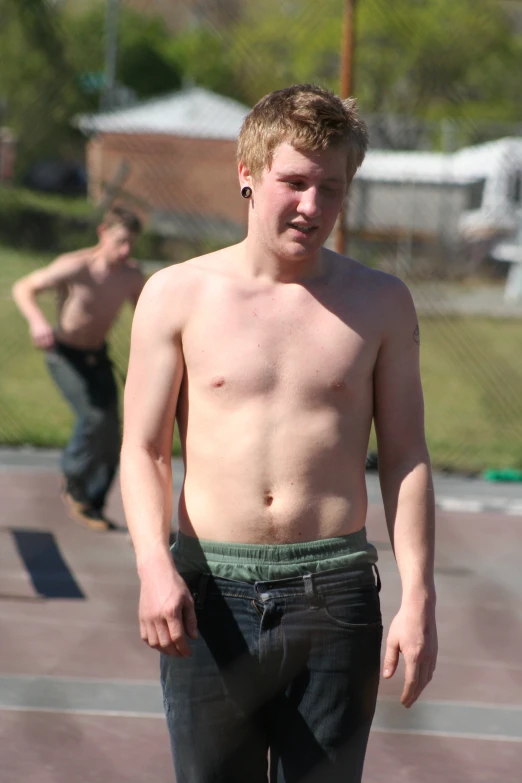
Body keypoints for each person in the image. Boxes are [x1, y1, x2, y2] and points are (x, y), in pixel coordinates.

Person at [121, 84, 437, 782]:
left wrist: (418, 596)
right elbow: (142, 448)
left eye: (332, 187)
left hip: (335, 593)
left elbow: (408, 457)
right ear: (247, 171)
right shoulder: (177, 294)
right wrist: (153, 565)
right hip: (209, 595)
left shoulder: (381, 303)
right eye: (293, 182)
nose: (312, 206)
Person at [12, 205, 145, 531]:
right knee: (93, 418)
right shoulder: (76, 266)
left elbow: (145, 310)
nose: (125, 250)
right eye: (120, 241)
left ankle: (91, 502)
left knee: (113, 433)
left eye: (131, 244)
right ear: (103, 233)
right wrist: (37, 322)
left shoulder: (130, 275)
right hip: (64, 354)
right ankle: (74, 478)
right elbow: (23, 288)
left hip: (96, 356)